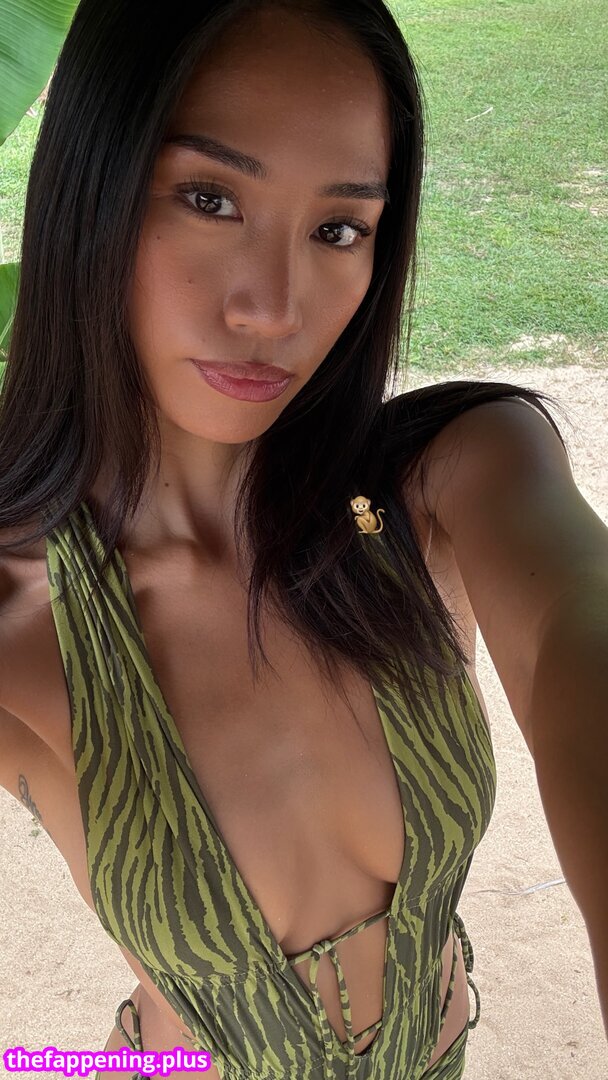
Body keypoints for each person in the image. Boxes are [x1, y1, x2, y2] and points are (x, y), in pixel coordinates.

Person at [1, 1, 607, 1078]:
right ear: (89, 187)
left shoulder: (433, 486)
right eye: (208, 198)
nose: (275, 309)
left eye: (338, 229)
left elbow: (580, 626)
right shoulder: (22, 617)